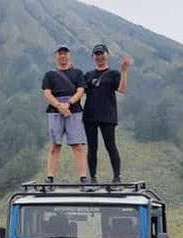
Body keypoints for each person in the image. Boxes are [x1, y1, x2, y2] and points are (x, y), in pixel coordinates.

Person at [83, 44, 131, 183]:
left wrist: (124, 71)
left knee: (110, 145)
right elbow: (81, 92)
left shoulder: (113, 73)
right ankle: (93, 177)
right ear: (93, 57)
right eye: (96, 54)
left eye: (101, 53)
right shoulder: (88, 75)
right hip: (90, 115)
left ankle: (117, 176)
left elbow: (122, 89)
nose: (99, 56)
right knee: (92, 147)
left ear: (107, 55)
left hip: (107, 115)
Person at [41, 45, 88, 184]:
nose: (63, 56)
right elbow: (47, 93)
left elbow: (81, 91)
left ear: (69, 55)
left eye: (65, 53)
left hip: (74, 110)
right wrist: (59, 106)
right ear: (56, 56)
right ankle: (50, 177)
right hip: (55, 111)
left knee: (77, 145)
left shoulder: (78, 73)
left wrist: (69, 103)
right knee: (55, 145)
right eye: (60, 53)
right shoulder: (49, 75)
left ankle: (83, 177)